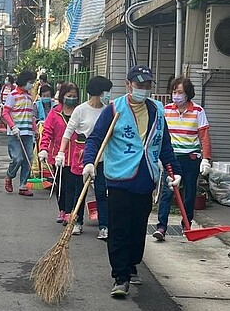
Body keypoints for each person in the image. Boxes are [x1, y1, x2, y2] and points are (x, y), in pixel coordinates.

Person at [83, 65, 182, 298]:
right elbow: (95, 139)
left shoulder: (157, 110)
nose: (144, 89)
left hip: (145, 178)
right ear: (128, 85)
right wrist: (89, 162)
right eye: (139, 85)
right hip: (118, 179)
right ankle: (120, 276)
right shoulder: (114, 109)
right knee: (118, 229)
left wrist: (174, 171)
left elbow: (164, 144)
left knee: (138, 228)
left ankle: (132, 264)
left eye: (147, 85)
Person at [153, 76, 212, 241]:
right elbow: (159, 135)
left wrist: (206, 159)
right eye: (174, 91)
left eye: (180, 92)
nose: (176, 95)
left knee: (190, 193)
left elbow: (204, 136)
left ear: (188, 94)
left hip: (191, 158)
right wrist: (157, 156)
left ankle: (186, 224)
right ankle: (161, 227)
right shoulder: (166, 110)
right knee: (167, 192)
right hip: (171, 158)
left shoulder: (198, 111)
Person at [57, 76, 113, 240]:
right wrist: (61, 152)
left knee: (102, 191)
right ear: (100, 92)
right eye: (106, 92)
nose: (108, 95)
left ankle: (104, 226)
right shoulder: (80, 110)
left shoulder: (107, 110)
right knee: (79, 191)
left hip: (102, 156)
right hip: (82, 155)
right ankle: (77, 222)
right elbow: (68, 132)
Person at [38, 83, 82, 235]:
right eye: (68, 96)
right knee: (60, 185)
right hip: (58, 155)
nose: (71, 98)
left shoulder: (80, 112)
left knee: (71, 185)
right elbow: (47, 132)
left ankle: (70, 211)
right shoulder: (54, 113)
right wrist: (44, 148)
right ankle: (62, 209)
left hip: (76, 155)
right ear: (62, 96)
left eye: (74, 96)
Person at [2, 69, 37, 197]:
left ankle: (23, 185)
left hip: (28, 133)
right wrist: (12, 127)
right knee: (17, 158)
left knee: (28, 159)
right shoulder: (13, 95)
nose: (32, 85)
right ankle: (9, 176)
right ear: (23, 81)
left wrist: (35, 129)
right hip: (15, 133)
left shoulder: (29, 96)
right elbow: (5, 112)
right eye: (30, 82)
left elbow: (30, 115)